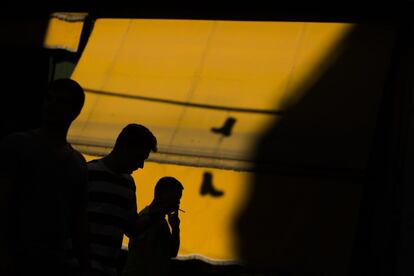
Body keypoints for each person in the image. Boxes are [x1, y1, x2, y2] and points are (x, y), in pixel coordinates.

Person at [0, 78, 90, 276]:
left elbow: (78, 220)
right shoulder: (76, 163)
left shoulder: (19, 145)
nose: (51, 105)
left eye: (60, 101)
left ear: (74, 112)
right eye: (50, 99)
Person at [87, 124, 165, 276]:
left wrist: (157, 209)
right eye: (139, 157)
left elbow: (132, 229)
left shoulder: (128, 184)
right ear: (125, 147)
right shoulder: (88, 173)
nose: (141, 165)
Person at [122, 176, 183, 276]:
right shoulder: (147, 219)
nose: (178, 203)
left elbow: (172, 252)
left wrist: (175, 228)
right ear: (163, 195)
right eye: (175, 198)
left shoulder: (160, 220)